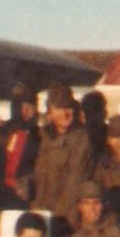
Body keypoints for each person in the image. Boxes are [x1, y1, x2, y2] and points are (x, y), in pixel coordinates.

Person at [31, 83, 93, 222]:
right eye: (59, 108)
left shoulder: (82, 139)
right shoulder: (41, 136)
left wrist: (55, 218)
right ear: (50, 111)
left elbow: (74, 185)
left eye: (68, 108)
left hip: (65, 217)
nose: (65, 113)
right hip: (38, 210)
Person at [0, 83, 40, 210]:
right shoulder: (2, 133)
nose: (25, 111)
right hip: (0, 196)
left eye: (29, 106)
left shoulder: (39, 137)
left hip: (24, 199)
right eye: (21, 106)